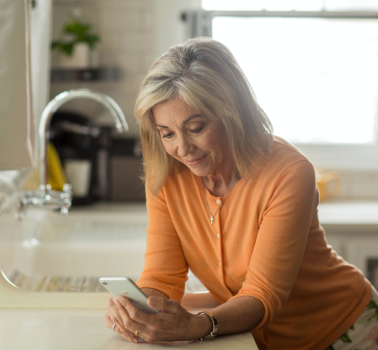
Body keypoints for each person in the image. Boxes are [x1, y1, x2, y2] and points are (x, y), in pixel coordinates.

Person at [103, 37, 378, 350]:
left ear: (231, 114)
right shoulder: (167, 175)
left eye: (195, 128)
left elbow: (262, 295)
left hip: (345, 329)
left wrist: (198, 324)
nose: (182, 148)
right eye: (167, 134)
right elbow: (162, 276)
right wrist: (139, 308)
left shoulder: (288, 173)